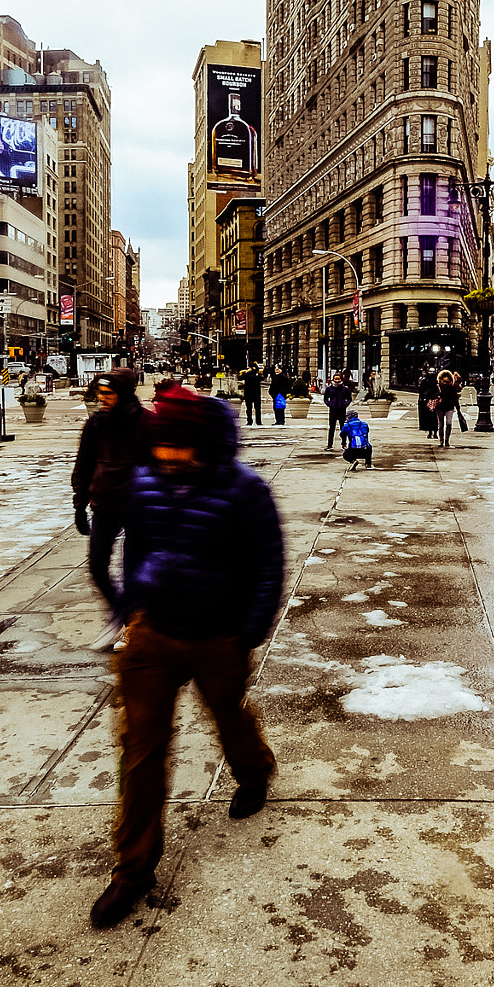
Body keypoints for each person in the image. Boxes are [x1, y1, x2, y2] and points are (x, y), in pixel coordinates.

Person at [90, 384, 283, 930]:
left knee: (229, 716)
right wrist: (131, 610)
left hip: (218, 636)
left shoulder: (246, 491)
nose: (171, 456)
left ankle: (253, 770)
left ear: (203, 442)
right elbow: (136, 551)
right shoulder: (145, 485)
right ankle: (133, 869)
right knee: (140, 750)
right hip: (153, 636)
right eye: (163, 445)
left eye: (182, 446)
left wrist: (247, 632)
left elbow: (268, 564)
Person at [72, 367, 149, 650]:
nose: (102, 398)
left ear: (124, 394)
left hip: (138, 506)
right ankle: (124, 615)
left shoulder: (145, 423)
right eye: (99, 393)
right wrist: (79, 504)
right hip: (104, 504)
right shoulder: (95, 425)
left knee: (134, 571)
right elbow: (83, 465)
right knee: (96, 567)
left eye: (108, 393)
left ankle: (131, 627)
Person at [325, 372, 351, 449]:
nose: (337, 380)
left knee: (343, 428)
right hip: (333, 410)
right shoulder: (329, 389)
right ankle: (330, 445)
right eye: (335, 379)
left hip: (342, 410)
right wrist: (330, 404)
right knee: (331, 428)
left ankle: (344, 444)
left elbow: (349, 399)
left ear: (341, 379)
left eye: (338, 379)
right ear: (333, 379)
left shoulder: (345, 389)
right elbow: (326, 398)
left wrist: (345, 404)